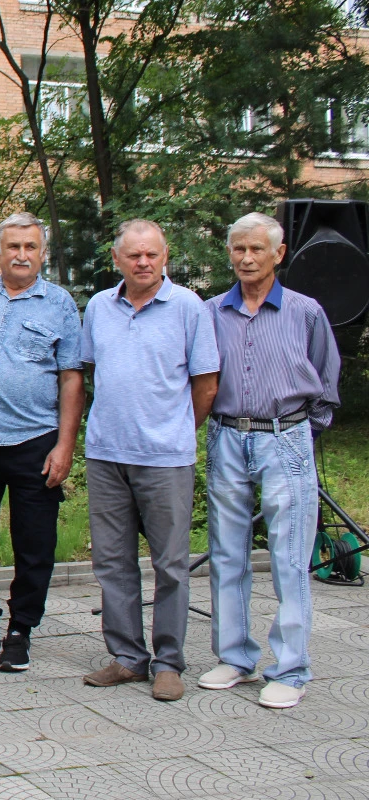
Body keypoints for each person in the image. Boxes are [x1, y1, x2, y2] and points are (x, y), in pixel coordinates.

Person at [199, 212, 340, 710]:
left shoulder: (306, 312)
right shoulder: (211, 311)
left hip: (286, 438)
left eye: (257, 249)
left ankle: (290, 667)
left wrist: (300, 431)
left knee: (288, 555)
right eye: (238, 249)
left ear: (278, 254)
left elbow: (326, 380)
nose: (246, 258)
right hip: (227, 436)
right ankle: (235, 657)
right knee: (227, 552)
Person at [80, 220, 220, 702]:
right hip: (105, 454)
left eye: (152, 255)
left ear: (165, 258)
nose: (143, 263)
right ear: (116, 259)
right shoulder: (99, 306)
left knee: (171, 563)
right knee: (113, 562)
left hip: (165, 458)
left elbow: (206, 385)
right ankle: (127, 658)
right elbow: (91, 371)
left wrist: (177, 429)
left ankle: (168, 661)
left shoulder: (188, 307)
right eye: (134, 255)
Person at [0, 212, 82, 672]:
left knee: (35, 543)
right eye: (13, 246)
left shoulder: (60, 303)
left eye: (31, 247)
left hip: (35, 442)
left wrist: (65, 446)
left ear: (42, 253)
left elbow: (70, 378)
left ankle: (21, 629)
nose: (21, 255)